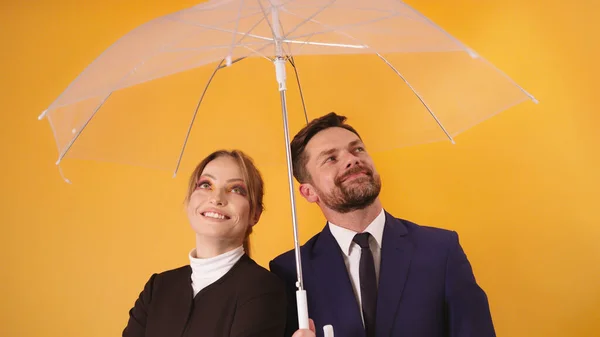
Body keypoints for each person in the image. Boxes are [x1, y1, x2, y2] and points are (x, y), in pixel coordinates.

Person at [269, 113, 496, 337]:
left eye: (357, 149)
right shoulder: (291, 271)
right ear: (308, 192)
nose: (352, 159)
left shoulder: (440, 250)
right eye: (331, 158)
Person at [123, 149, 287, 337]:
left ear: (255, 214)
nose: (216, 198)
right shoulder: (157, 288)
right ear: (189, 201)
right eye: (206, 185)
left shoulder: (263, 289)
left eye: (236, 189)